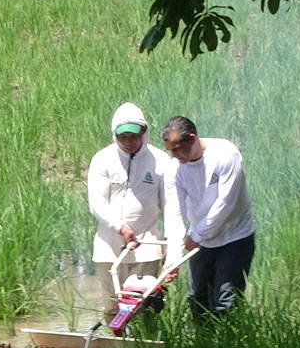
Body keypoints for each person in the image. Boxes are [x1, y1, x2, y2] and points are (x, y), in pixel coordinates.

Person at [87, 102, 181, 316]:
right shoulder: (102, 159)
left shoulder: (160, 161)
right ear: (115, 134)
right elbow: (97, 202)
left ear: (144, 132)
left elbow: (170, 207)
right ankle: (116, 338)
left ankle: (145, 337)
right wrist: (120, 227)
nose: (129, 142)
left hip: (147, 247)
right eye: (123, 137)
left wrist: (171, 244)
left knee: (144, 307)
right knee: (112, 308)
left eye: (134, 136)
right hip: (109, 248)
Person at [161, 115, 255, 318]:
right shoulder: (174, 170)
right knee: (198, 298)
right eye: (170, 150)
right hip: (202, 240)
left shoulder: (225, 155)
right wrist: (173, 257)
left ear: (192, 138)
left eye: (178, 148)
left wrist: (196, 235)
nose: (175, 155)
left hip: (235, 236)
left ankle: (230, 337)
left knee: (226, 301)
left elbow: (226, 205)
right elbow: (175, 213)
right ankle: (203, 338)